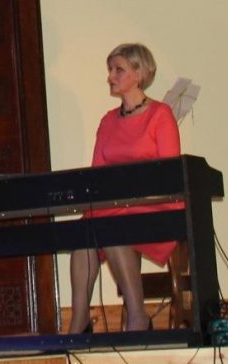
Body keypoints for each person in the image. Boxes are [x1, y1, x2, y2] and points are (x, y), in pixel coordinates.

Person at [67, 43, 182, 334]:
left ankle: (137, 316)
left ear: (139, 74)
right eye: (110, 70)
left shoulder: (161, 114)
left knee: (114, 229)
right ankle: (79, 320)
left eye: (118, 70)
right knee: (83, 233)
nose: (110, 77)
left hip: (155, 206)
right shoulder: (108, 120)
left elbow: (169, 175)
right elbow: (97, 172)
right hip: (117, 207)